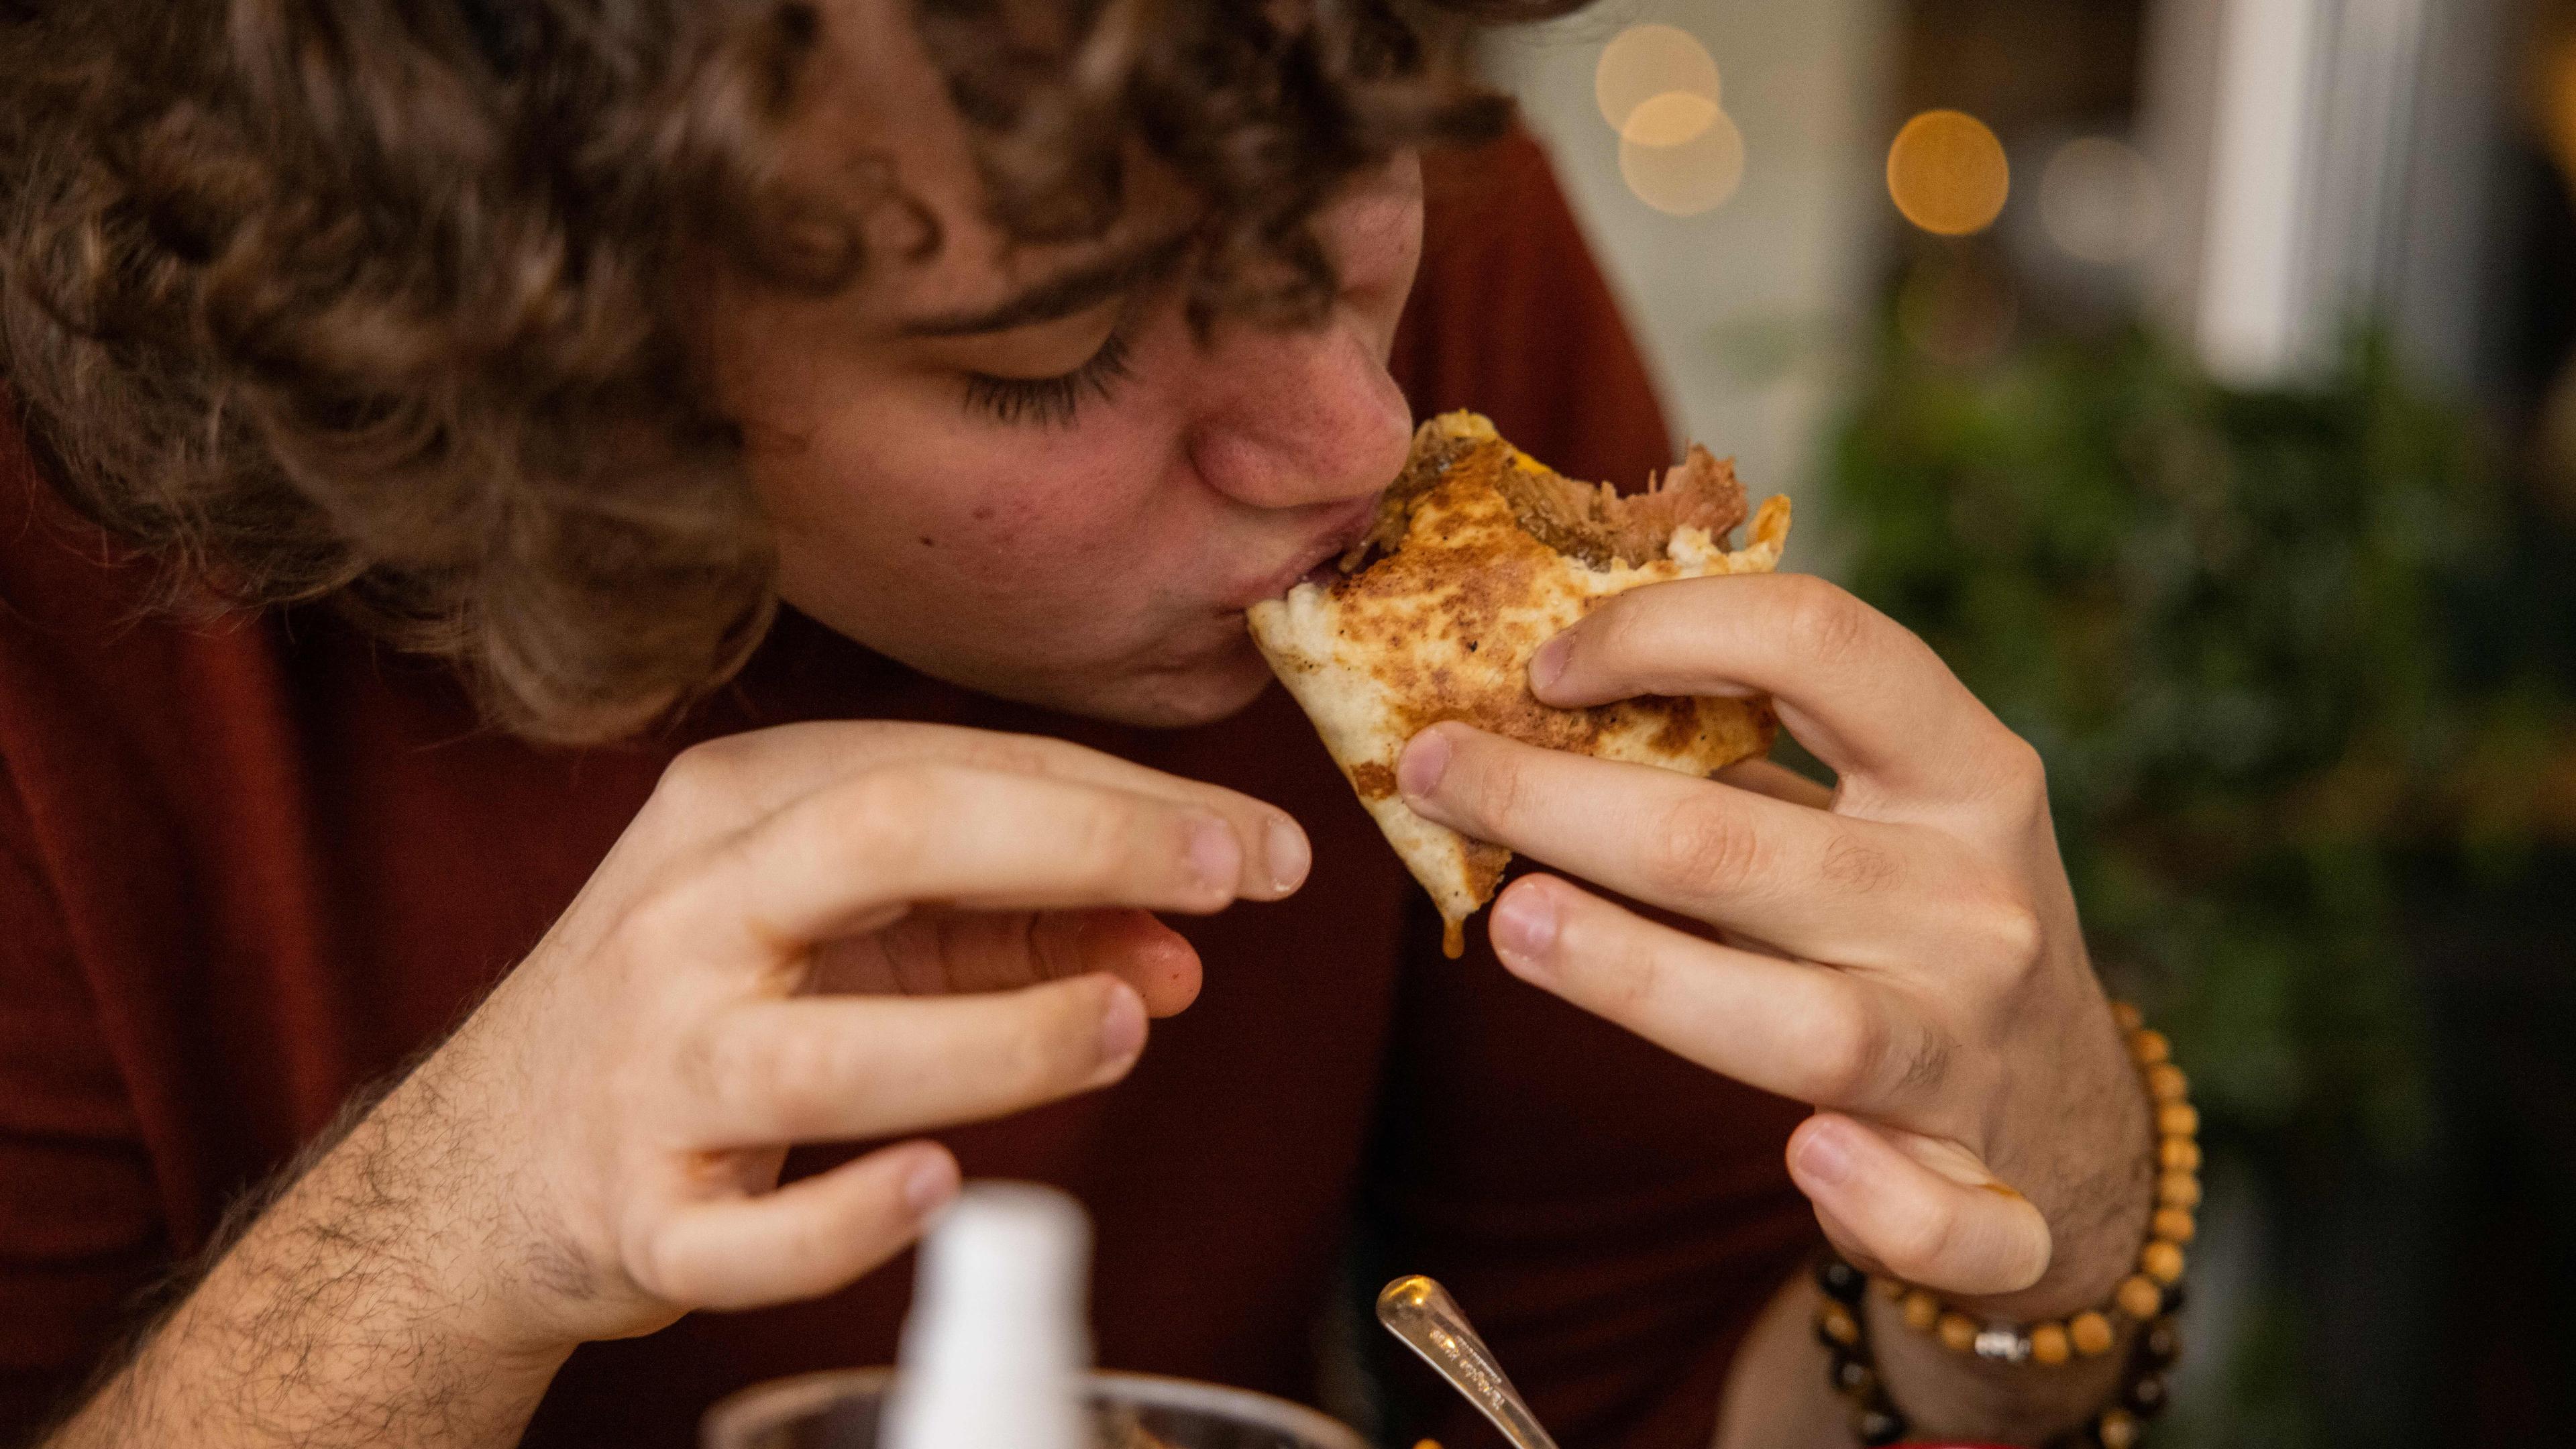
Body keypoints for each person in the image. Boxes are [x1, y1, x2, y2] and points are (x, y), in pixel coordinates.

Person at [0, 1, 2160, 1446]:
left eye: (1340, 220)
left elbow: (1643, 1386)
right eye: (1052, 354)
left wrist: (2019, 1242)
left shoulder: (1424, 292)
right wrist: (463, 1231)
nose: (1354, 435)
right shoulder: (62, 607)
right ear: (540, 373)